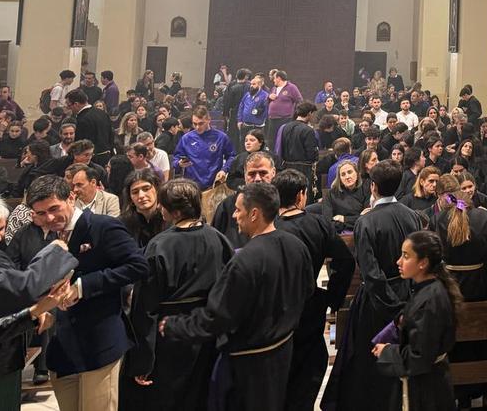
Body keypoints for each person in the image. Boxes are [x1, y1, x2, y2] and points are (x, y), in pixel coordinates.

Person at [161, 182, 313, 411]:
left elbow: (218, 318)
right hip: (282, 351)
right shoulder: (296, 245)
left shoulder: (244, 261)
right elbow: (307, 290)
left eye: (238, 209)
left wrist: (174, 325)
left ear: (254, 214)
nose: (233, 215)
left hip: (248, 364)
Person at [24, 174, 150, 411]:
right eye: (41, 213)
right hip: (62, 346)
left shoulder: (103, 226)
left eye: (54, 208)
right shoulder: (46, 235)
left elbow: (138, 266)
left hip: (100, 342)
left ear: (71, 197)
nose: (49, 218)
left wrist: (83, 287)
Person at [323, 161, 424, 410]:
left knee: (368, 362)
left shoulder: (366, 222)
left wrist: (391, 306)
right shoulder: (412, 216)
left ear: (373, 186)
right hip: (409, 294)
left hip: (378, 299)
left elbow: (371, 272)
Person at [126, 178, 233, 411]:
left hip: (171, 332)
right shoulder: (217, 237)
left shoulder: (159, 245)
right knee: (203, 394)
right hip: (209, 328)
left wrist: (143, 359)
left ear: (170, 210)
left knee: (171, 397)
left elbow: (145, 306)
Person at [0, 204, 77, 392]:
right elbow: (24, 288)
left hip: (8, 358)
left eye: (1, 229)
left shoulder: (0, 258)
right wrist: (55, 252)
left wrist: (35, 311)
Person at [273, 168, 355, 409]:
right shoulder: (316, 223)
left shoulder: (270, 225)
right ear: (301, 195)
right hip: (310, 303)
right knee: (308, 369)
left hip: (276, 308)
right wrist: (332, 298)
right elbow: (345, 261)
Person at [427, 174, 487, 407]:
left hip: (451, 288)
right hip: (479, 287)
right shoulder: (483, 217)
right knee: (481, 340)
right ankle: (486, 386)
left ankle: (459, 392)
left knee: (456, 342)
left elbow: (435, 261)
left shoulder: (440, 219)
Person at [371, 229, 460, 411]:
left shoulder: (431, 299)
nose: (398, 261)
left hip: (427, 390)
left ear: (423, 263)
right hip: (429, 381)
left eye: (406, 256)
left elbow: (419, 356)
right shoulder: (427, 288)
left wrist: (387, 352)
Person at [212, 152, 275, 249]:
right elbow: (215, 241)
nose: (257, 179)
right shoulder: (227, 206)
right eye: (252, 174)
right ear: (245, 175)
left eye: (263, 173)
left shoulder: (283, 204)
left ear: (273, 172)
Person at [173, 108, 234, 189]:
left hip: (213, 184)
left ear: (209, 120)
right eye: (195, 124)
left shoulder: (221, 137)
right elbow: (175, 158)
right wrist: (179, 163)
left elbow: (231, 156)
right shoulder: (186, 138)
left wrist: (224, 170)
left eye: (201, 123)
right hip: (191, 185)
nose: (197, 127)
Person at [120, 170, 167, 248]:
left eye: (146, 189)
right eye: (135, 192)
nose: (141, 195)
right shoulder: (122, 224)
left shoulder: (169, 220)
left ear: (157, 190)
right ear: (130, 197)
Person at [324, 158, 370, 233]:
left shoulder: (366, 188)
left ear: (357, 173)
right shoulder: (330, 194)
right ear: (340, 179)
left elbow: (367, 218)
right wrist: (358, 218)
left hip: (362, 231)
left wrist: (344, 219)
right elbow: (328, 223)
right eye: (343, 174)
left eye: (350, 172)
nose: (347, 177)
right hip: (339, 235)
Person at [70, 89, 114, 165]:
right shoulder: (102, 113)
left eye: (69, 105)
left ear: (76, 104)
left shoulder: (82, 119)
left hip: (90, 160)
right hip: (107, 156)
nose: (69, 108)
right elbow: (111, 135)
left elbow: (81, 144)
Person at [277, 101, 319, 177]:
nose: (313, 116)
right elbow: (311, 154)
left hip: (286, 169)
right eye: (313, 114)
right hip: (303, 170)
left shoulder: (284, 127)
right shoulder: (308, 130)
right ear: (309, 113)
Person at [266, 70, 302, 150]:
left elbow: (299, 101)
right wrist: (269, 97)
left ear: (279, 78)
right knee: (272, 141)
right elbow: (268, 101)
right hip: (272, 119)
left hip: (285, 119)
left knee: (283, 140)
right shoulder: (274, 88)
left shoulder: (292, 87)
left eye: (274, 78)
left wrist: (294, 115)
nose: (273, 80)